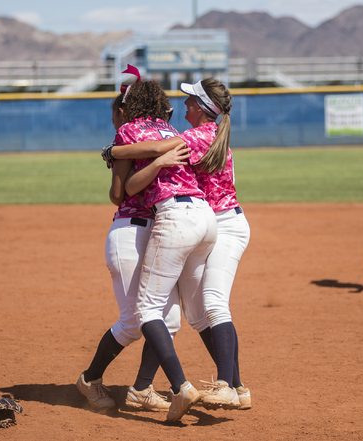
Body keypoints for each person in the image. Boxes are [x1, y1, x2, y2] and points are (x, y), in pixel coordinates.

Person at [109, 78, 251, 411]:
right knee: (198, 314)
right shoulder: (205, 133)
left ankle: (229, 386)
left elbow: (158, 149)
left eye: (190, 101)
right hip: (207, 222)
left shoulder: (198, 135)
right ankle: (238, 387)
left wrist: (113, 151)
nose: (183, 105)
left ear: (202, 108)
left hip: (222, 223)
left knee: (213, 303)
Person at [76, 84, 190, 412]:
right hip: (133, 233)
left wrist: (115, 155)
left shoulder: (126, 133)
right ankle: (90, 378)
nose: (115, 119)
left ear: (124, 110)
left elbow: (116, 194)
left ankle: (141, 389)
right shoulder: (170, 130)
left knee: (166, 319)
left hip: (154, 232)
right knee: (134, 321)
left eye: (115, 112)